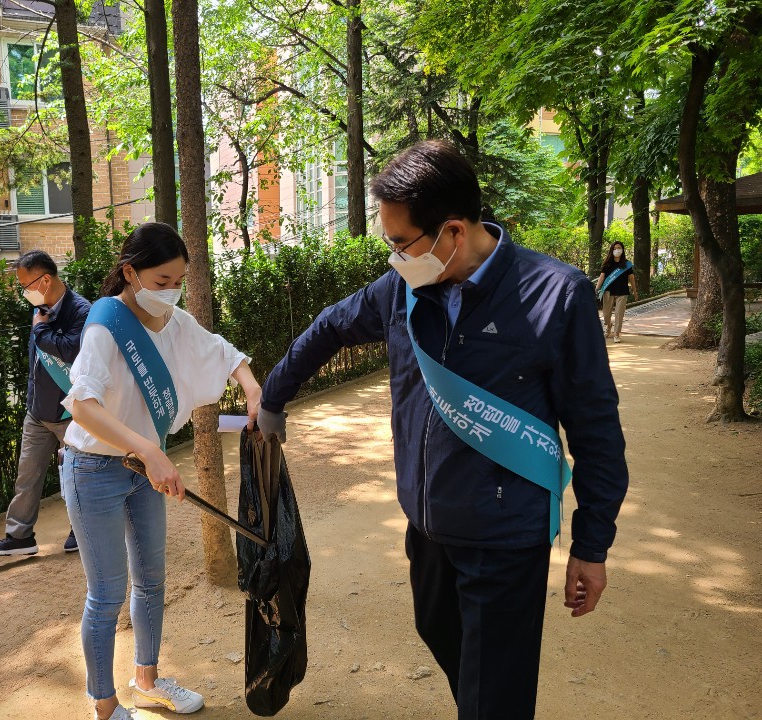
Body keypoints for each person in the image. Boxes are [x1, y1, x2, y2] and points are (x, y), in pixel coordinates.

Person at [257, 140, 629, 720]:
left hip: (505, 537)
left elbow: (597, 430)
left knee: (492, 694)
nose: (394, 258)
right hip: (427, 527)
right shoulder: (402, 290)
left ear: (453, 230)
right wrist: (272, 399)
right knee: (437, 630)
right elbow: (331, 326)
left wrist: (592, 544)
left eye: (401, 243)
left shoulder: (555, 295)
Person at [59, 223, 262, 720]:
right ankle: (104, 706)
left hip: (141, 470)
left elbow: (224, 352)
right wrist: (150, 451)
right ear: (131, 273)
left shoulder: (172, 318)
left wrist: (253, 390)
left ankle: (146, 681)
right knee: (106, 595)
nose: (172, 291)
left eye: (179, 281)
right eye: (163, 279)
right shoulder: (105, 325)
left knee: (151, 582)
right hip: (94, 472)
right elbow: (82, 405)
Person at [0, 250, 91, 556]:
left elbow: (71, 350)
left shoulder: (81, 311)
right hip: (38, 411)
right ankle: (20, 536)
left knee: (76, 475)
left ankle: (81, 531)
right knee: (27, 474)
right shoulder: (39, 307)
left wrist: (40, 329)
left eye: (25, 285)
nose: (23, 292)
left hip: (71, 412)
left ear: (45, 280)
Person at [595, 240, 638, 343]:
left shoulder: (627, 265)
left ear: (622, 250)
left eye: (619, 248)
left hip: (622, 292)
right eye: (614, 249)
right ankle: (608, 325)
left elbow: (631, 278)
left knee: (619, 314)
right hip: (608, 292)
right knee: (606, 315)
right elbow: (602, 277)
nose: (617, 250)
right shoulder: (607, 264)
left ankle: (617, 334)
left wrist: (635, 291)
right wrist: (596, 289)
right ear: (611, 250)